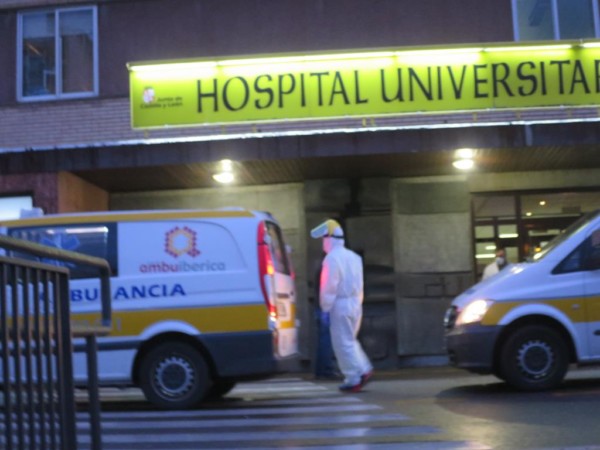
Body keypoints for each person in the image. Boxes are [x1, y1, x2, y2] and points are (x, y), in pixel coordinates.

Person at [310, 219, 373, 393]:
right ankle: (364, 368)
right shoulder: (354, 257)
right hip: (355, 303)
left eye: (324, 239)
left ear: (329, 239)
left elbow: (329, 287)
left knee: (342, 343)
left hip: (339, 304)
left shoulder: (331, 259)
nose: (323, 242)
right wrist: (358, 302)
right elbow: (360, 284)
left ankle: (353, 378)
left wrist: (325, 308)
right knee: (351, 340)